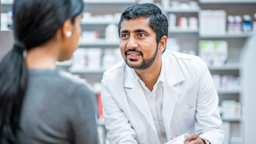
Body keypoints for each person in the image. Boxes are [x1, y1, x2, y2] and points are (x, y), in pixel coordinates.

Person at [101, 3, 224, 144]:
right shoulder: (111, 81)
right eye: (125, 35)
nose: (130, 45)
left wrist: (203, 142)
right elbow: (121, 139)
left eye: (140, 35)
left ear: (162, 44)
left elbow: (213, 129)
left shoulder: (195, 69)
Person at [0, 0, 99, 144]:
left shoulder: (5, 80)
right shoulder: (74, 94)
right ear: (66, 27)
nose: (79, 31)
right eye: (78, 22)